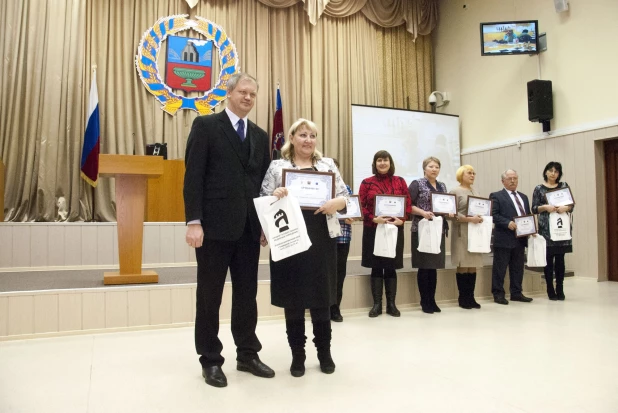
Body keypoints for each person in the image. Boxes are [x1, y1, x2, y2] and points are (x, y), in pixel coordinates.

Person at [183, 73, 274, 388]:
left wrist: (265, 224)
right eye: (243, 92)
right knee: (209, 296)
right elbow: (193, 176)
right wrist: (193, 221)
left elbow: (264, 185)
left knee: (247, 296)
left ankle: (247, 354)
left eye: (253, 93)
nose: (248, 98)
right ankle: (210, 359)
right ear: (229, 93)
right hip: (213, 230)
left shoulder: (261, 137)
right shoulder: (206, 126)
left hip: (249, 230)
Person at [260, 118, 348, 377]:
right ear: (292, 138)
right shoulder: (278, 166)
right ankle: (297, 354)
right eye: (302, 135)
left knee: (322, 297)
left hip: (321, 236)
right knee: (293, 298)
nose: (308, 140)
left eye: (312, 135)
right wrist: (274, 197)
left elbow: (346, 197)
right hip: (288, 238)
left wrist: (337, 203)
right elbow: (263, 198)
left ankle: (325, 352)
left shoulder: (327, 164)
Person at [359, 150, 412, 318]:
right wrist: (373, 218)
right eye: (379, 160)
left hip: (394, 229)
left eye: (385, 160)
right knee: (376, 266)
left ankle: (391, 305)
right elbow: (361, 205)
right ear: (375, 163)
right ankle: (376, 305)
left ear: (391, 162)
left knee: (391, 266)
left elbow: (408, 205)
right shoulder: (366, 182)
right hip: (373, 229)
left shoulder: (400, 181)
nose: (382, 163)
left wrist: (402, 219)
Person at [409, 156, 452, 314]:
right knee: (424, 266)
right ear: (424, 169)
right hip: (421, 228)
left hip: (437, 229)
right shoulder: (417, 184)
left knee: (433, 267)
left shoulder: (442, 185)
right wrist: (423, 212)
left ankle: (432, 300)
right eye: (431, 166)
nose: (434, 169)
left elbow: (446, 204)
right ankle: (424, 301)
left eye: (437, 167)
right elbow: (408, 205)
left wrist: (449, 211)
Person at [489, 169, 534, 305]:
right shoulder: (496, 196)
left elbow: (527, 215)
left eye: (515, 178)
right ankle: (498, 294)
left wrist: (532, 228)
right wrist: (507, 223)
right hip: (504, 237)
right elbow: (494, 214)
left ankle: (516, 293)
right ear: (503, 181)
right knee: (500, 268)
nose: (513, 181)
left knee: (518, 268)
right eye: (509, 178)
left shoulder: (524, 197)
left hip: (520, 238)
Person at [531, 162, 574, 300]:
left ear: (559, 174)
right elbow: (534, 208)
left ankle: (560, 288)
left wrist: (565, 208)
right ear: (545, 172)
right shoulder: (539, 188)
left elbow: (571, 205)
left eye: (556, 171)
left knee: (560, 259)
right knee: (548, 259)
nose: (553, 173)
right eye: (550, 171)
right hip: (546, 228)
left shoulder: (563, 186)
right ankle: (550, 288)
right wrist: (545, 207)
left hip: (561, 228)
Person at [449, 165, 484, 309]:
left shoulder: (475, 191)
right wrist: (469, 219)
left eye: (474, 173)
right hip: (461, 232)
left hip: (475, 232)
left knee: (472, 265)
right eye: (469, 173)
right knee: (463, 265)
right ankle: (463, 298)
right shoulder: (455, 191)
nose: (472, 175)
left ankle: (471, 297)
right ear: (461, 175)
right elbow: (451, 213)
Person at [330, 158, 353, 323]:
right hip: (322, 238)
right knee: (322, 274)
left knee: (339, 274)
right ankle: (322, 307)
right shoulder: (317, 187)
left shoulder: (346, 189)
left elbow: (352, 211)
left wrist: (352, 217)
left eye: (335, 168)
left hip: (342, 237)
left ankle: (336, 308)